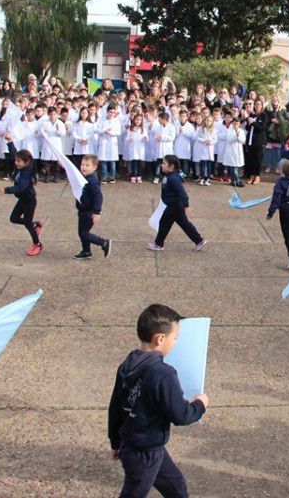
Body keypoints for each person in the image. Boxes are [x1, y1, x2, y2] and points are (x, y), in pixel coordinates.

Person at [108, 304, 208, 498]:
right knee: (134, 493)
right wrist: (200, 404)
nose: (176, 342)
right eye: (175, 337)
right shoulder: (164, 374)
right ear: (160, 339)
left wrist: (115, 441)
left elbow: (115, 407)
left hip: (142, 446)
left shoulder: (127, 364)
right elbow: (181, 415)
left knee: (176, 485)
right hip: (144, 452)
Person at [148, 155, 207, 252]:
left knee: (164, 224)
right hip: (175, 205)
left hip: (174, 206)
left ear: (171, 166)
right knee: (184, 224)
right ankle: (199, 240)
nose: (162, 165)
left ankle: (159, 244)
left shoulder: (173, 178)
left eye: (164, 164)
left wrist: (186, 205)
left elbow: (182, 193)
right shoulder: (170, 176)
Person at [0, 149, 43, 256]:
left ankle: (37, 244)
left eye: (19, 161)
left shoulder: (26, 173)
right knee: (13, 218)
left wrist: (6, 190)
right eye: (16, 160)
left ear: (26, 162)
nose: (16, 163)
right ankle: (35, 225)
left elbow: (21, 187)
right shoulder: (21, 167)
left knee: (27, 223)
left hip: (29, 201)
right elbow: (14, 153)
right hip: (23, 200)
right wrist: (10, 142)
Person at [267, 159, 289, 269]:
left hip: (285, 212)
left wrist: (271, 212)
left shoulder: (280, 183)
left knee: (287, 233)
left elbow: (276, 200)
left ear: (282, 171)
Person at [75, 155, 111, 259]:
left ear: (94, 168)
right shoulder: (85, 177)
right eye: (82, 164)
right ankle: (86, 251)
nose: (84, 167)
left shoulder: (92, 180)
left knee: (84, 234)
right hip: (82, 210)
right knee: (81, 232)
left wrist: (96, 212)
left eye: (87, 165)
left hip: (89, 212)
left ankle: (103, 242)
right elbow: (73, 173)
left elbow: (98, 196)